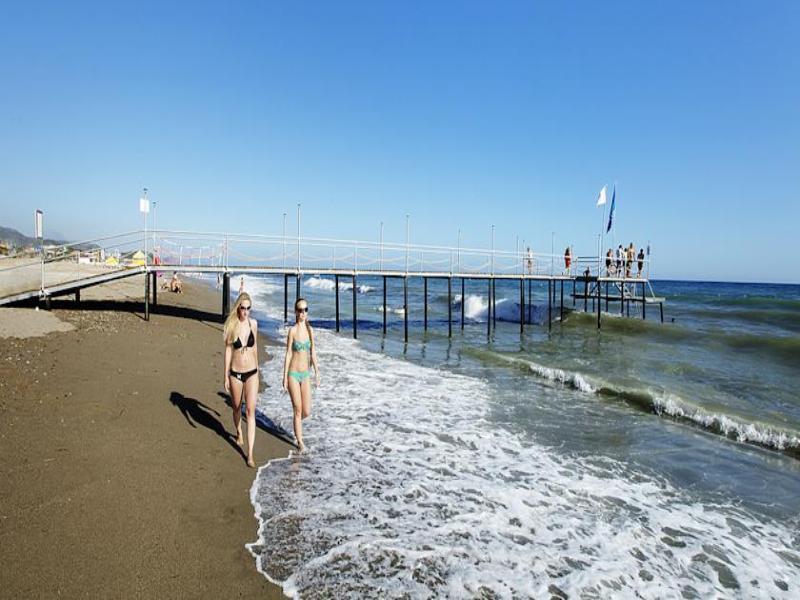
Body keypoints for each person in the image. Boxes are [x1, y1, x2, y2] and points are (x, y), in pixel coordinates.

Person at [223, 293, 260, 467]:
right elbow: (228, 351)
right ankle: (239, 431)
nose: (245, 312)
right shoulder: (231, 326)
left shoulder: (253, 324)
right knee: (237, 407)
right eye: (243, 308)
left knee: (250, 411)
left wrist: (258, 371)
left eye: (248, 308)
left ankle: (250, 454)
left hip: (252, 372)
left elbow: (255, 348)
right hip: (236, 373)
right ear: (238, 308)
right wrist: (225, 375)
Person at [283, 298, 320, 453]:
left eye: (305, 310)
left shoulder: (310, 331)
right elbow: (288, 354)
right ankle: (300, 442)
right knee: (298, 409)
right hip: (293, 374)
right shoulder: (292, 331)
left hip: (305, 375)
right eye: (300, 310)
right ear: (295, 312)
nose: (303, 313)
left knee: (306, 411)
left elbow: (313, 352)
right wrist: (284, 376)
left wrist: (317, 372)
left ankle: (296, 423)